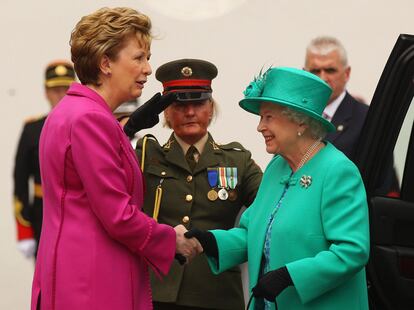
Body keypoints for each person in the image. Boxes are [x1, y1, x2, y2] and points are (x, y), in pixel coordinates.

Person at [31, 7, 201, 310]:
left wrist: (126, 127)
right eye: (139, 57)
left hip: (75, 274)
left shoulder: (73, 112)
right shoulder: (90, 120)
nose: (148, 68)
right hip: (93, 283)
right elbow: (118, 215)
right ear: (105, 63)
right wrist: (169, 239)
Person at [186, 67, 370, 309]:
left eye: (268, 117)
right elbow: (252, 232)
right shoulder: (277, 167)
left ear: (300, 121)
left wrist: (290, 275)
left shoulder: (337, 172)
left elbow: (352, 251)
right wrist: (210, 241)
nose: (260, 127)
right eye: (261, 118)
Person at [126, 58, 263, 309]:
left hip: (217, 291)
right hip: (158, 292)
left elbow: (271, 206)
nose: (190, 112)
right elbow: (102, 167)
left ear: (211, 107)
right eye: (180, 104)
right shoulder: (146, 156)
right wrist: (125, 129)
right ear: (166, 111)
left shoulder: (237, 159)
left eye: (198, 103)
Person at [304, 35, 399, 196]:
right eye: (315, 71)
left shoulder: (368, 118)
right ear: (305, 73)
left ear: (346, 73)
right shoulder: (294, 116)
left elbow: (383, 186)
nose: (322, 78)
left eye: (330, 70)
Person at [13, 60, 75, 259]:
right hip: (43, 212)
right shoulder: (32, 130)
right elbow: (20, 180)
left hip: (78, 212)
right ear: (46, 93)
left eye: (66, 88)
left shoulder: (85, 125)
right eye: (55, 89)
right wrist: (24, 231)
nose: (60, 94)